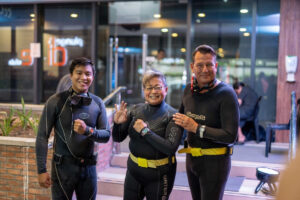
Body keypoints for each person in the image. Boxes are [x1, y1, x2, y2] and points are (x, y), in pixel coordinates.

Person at [35, 57, 110, 200]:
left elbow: (106, 135)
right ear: (71, 75)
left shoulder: (97, 103)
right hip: (62, 168)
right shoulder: (55, 101)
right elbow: (42, 136)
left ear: (93, 77)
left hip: (88, 169)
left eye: (88, 74)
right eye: (79, 73)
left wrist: (87, 131)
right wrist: (41, 170)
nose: (83, 77)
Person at [173, 44, 239, 200]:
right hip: (191, 160)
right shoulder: (188, 90)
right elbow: (179, 120)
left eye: (209, 64)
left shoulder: (227, 94)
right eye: (200, 65)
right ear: (192, 67)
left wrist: (197, 128)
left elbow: (230, 136)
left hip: (215, 163)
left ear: (216, 66)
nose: (205, 69)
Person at [112, 70, 183, 200]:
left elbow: (170, 148)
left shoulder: (173, 116)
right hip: (134, 171)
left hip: (160, 175)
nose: (153, 92)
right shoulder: (134, 110)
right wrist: (117, 124)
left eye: (158, 87)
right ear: (144, 91)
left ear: (166, 89)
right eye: (149, 88)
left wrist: (145, 132)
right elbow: (117, 138)